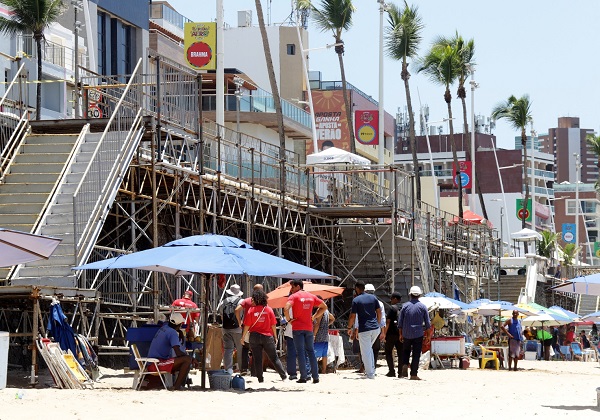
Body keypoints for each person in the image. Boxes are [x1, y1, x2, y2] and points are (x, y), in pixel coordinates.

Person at [284, 279, 327, 384]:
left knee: (300, 352)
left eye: (293, 287)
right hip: (308, 327)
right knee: (311, 351)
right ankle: (315, 377)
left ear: (298, 286)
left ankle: (304, 376)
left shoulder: (294, 296)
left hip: (297, 327)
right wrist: (314, 316)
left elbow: (286, 308)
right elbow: (324, 307)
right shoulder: (311, 296)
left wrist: (289, 320)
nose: (291, 289)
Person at [239, 289, 287, 383]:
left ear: (257, 299)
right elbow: (273, 324)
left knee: (257, 358)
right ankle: (283, 376)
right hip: (267, 336)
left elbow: (247, 325)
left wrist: (243, 337)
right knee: (274, 357)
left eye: (253, 299)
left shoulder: (251, 310)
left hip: (254, 336)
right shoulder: (268, 309)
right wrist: (275, 336)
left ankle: (260, 379)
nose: (251, 301)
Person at [147, 312, 194, 390]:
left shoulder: (165, 327)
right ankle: (177, 386)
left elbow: (169, 328)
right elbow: (178, 353)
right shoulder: (172, 333)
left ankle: (179, 385)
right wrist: (191, 359)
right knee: (187, 359)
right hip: (156, 364)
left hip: (151, 362)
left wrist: (179, 331)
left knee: (187, 360)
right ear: (179, 325)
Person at [347, 281, 381, 380]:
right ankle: (372, 370)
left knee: (365, 352)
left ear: (357, 288)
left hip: (365, 329)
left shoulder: (356, 300)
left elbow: (352, 316)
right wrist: (378, 324)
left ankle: (370, 374)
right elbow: (379, 312)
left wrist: (349, 327)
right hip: (375, 328)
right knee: (369, 349)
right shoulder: (373, 298)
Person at [398, 286, 431, 380]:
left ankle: (405, 364)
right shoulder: (423, 307)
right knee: (416, 354)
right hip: (418, 333)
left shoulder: (405, 306)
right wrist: (428, 336)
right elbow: (428, 324)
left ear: (410, 295)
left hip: (406, 333)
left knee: (406, 352)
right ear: (419, 295)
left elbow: (400, 322)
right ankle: (413, 374)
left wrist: (400, 334)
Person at [235, 284, 264, 375]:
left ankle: (244, 368)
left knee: (245, 348)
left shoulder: (247, 300)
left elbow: (237, 310)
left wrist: (239, 322)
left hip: (247, 327)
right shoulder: (263, 302)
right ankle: (254, 371)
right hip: (259, 327)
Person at [217, 284, 244, 374]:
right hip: (238, 329)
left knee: (228, 349)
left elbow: (221, 315)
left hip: (226, 328)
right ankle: (241, 368)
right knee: (240, 349)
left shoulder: (223, 302)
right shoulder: (242, 302)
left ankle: (228, 369)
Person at [364, 283, 386, 365]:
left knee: (365, 348)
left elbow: (358, 318)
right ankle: (373, 366)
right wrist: (383, 332)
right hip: (376, 329)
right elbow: (382, 318)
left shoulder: (361, 302)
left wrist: (356, 329)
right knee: (375, 349)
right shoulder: (380, 303)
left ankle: (366, 366)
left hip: (365, 328)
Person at [313, 299, 335, 375]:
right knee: (324, 354)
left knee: (315, 353)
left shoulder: (320, 310)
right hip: (325, 335)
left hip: (319, 335)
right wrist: (326, 325)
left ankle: (314, 370)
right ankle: (324, 370)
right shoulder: (326, 311)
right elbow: (333, 319)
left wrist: (314, 335)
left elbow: (317, 324)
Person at [384, 292, 402, 377]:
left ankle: (391, 371)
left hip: (391, 333)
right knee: (400, 353)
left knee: (388, 352)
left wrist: (384, 333)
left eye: (391, 298)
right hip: (400, 333)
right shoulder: (403, 308)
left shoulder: (392, 308)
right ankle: (400, 372)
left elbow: (388, 322)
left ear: (395, 299)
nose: (390, 300)